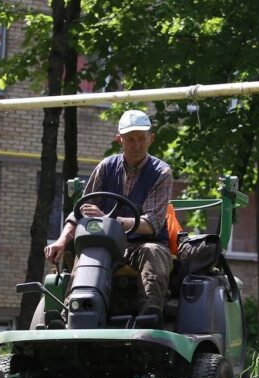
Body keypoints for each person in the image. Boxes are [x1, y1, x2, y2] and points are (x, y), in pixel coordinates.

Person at [44, 109, 173, 320]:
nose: (137, 145)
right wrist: (61, 240)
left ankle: (150, 314)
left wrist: (109, 219)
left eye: (142, 138)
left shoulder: (161, 172)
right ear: (119, 140)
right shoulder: (106, 167)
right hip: (109, 244)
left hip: (142, 245)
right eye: (131, 139)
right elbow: (80, 211)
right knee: (86, 250)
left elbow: (152, 224)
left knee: (153, 251)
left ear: (151, 138)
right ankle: (72, 312)